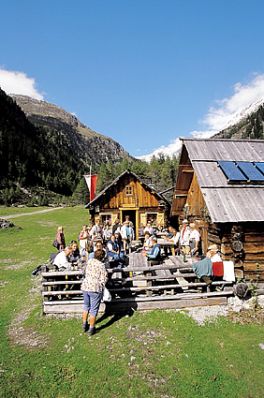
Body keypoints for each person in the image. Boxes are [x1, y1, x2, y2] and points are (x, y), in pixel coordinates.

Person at [81, 249, 108, 336]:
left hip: (86, 286)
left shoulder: (90, 261)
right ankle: (91, 329)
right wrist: (102, 285)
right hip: (95, 288)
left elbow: (84, 271)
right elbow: (104, 278)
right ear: (103, 257)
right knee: (94, 309)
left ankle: (84, 324)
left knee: (86, 306)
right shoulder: (101, 265)